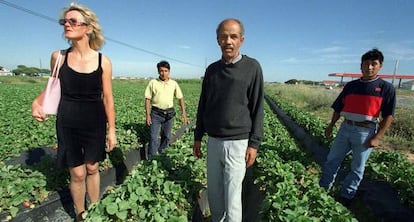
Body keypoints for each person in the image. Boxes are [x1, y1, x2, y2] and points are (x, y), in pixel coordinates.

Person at [31, 3, 117, 221]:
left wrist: (112, 130)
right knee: (77, 173)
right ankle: (80, 215)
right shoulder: (58, 57)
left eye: (73, 21)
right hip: (67, 120)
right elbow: (51, 88)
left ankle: (94, 210)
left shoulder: (103, 61)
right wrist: (36, 103)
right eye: (64, 22)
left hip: (94, 121)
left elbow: (108, 98)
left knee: (92, 167)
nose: (67, 25)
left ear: (88, 28)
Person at [192, 18, 264, 221]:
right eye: (224, 36)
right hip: (213, 142)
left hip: (238, 143)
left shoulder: (252, 68)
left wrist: (254, 144)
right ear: (218, 40)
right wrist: (198, 137)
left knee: (232, 199)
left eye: (233, 36)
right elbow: (203, 105)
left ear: (241, 40)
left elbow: (258, 107)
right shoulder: (212, 70)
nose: (228, 41)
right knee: (215, 195)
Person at [319, 48, 396, 206]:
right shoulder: (351, 86)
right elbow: (338, 108)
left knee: (357, 167)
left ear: (380, 66)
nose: (369, 67)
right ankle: (322, 190)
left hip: (365, 132)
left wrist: (377, 137)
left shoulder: (386, 88)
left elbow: (389, 115)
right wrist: (331, 125)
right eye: (366, 64)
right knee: (332, 160)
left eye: (373, 64)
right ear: (361, 65)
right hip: (345, 128)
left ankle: (346, 197)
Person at [145, 60, 188, 159]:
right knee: (153, 137)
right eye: (161, 71)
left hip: (169, 114)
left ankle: (163, 154)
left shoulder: (173, 84)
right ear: (158, 71)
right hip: (156, 113)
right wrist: (147, 115)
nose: (163, 73)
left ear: (169, 71)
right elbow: (147, 99)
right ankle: (152, 159)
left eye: (165, 71)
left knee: (167, 136)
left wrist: (184, 113)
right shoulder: (153, 82)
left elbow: (180, 98)